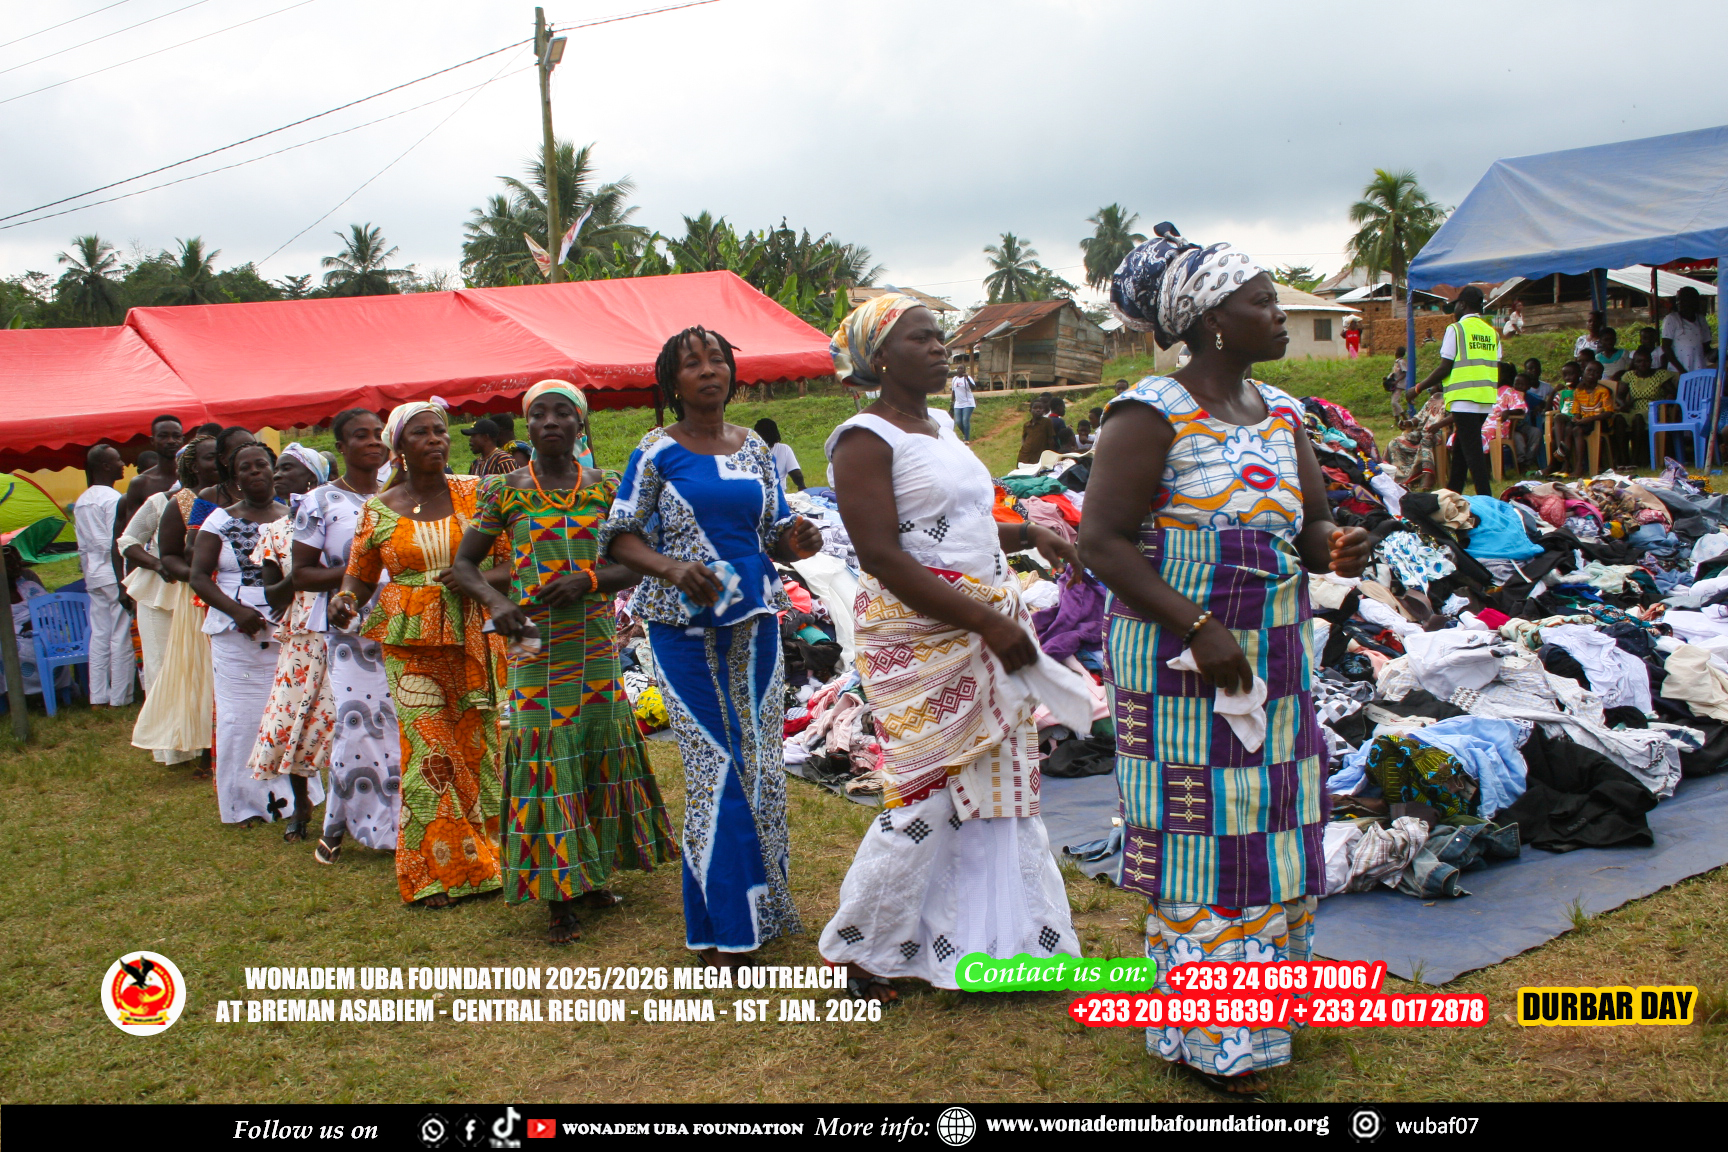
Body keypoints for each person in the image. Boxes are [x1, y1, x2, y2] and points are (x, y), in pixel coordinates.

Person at [1082, 223, 1372, 1097]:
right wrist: (1198, 626)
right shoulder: (1148, 414)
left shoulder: (1282, 413)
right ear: (1212, 319)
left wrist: (1334, 546)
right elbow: (1103, 542)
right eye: (1263, 302)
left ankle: (1263, 1016)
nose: (1280, 315)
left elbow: (1309, 523)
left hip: (1275, 652)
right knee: (1201, 837)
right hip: (1177, 660)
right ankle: (1213, 1038)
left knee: (1275, 820)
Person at [818, 293, 1085, 1001]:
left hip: (983, 619)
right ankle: (863, 950)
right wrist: (987, 622)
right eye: (921, 338)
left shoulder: (939, 425)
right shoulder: (863, 439)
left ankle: (997, 943)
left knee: (999, 788)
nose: (940, 347)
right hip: (919, 635)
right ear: (880, 358)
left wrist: (1032, 534)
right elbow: (883, 555)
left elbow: (965, 523)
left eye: (940, 336)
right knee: (924, 795)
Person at [599, 327, 822, 968]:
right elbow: (620, 536)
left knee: (761, 766)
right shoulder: (655, 451)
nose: (707, 370)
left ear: (731, 372)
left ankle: (764, 909)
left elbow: (772, 528)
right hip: (680, 628)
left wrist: (796, 539)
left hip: (753, 621)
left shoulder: (755, 448)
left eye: (717, 359)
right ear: (673, 381)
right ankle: (724, 926)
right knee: (713, 764)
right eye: (692, 363)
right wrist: (670, 567)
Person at [453, 381, 678, 945]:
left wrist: (590, 580)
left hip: (594, 640)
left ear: (580, 425)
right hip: (531, 642)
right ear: (527, 426)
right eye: (539, 414)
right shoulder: (504, 490)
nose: (550, 421)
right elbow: (464, 566)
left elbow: (639, 563)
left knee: (596, 749)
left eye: (562, 413)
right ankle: (557, 895)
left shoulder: (606, 488)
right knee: (545, 752)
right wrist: (497, 604)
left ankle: (592, 872)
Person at [330, 400, 512, 907]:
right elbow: (359, 575)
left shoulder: (478, 493)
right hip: (410, 640)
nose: (435, 440)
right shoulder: (379, 509)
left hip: (475, 634)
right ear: (400, 448)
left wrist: (473, 576)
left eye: (440, 431)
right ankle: (436, 869)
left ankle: (489, 858)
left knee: (479, 747)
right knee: (429, 750)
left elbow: (513, 561)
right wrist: (345, 599)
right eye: (421, 433)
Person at [291, 408, 400, 865]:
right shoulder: (319, 502)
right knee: (356, 730)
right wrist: (359, 574)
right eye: (361, 436)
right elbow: (301, 573)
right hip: (351, 634)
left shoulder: (402, 494)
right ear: (341, 447)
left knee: (400, 728)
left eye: (378, 434)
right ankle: (339, 824)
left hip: (407, 627)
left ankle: (396, 827)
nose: (373, 442)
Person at [189, 442, 302, 827]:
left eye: (261, 465)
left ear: (273, 471)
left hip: (285, 628)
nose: (255, 472)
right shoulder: (219, 520)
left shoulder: (293, 517)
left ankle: (292, 798)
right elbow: (198, 576)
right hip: (234, 632)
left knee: (285, 714)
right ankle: (243, 804)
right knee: (241, 719)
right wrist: (236, 611)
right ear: (235, 478)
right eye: (246, 468)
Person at [247, 444, 335, 843]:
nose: (276, 475)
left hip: (344, 634)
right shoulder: (274, 532)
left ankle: (358, 803)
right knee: (292, 723)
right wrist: (299, 575)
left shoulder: (340, 520)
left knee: (345, 722)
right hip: (300, 641)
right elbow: (273, 596)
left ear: (312, 479)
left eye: (287, 468)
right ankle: (302, 805)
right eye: (276, 469)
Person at [131, 437, 221, 773]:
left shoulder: (231, 497)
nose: (219, 463)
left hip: (224, 593)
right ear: (194, 466)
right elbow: (151, 548)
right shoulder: (177, 502)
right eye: (211, 458)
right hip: (189, 594)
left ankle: (217, 743)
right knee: (190, 668)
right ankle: (192, 747)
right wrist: (196, 576)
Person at [1416, 285, 1498, 495]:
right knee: (1462, 448)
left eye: (1456, 305)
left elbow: (1445, 367)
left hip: (1464, 398)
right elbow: (1495, 361)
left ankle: (1487, 499)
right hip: (1485, 399)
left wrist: (1418, 388)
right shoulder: (1492, 332)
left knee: (1473, 454)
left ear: (1462, 304)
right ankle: (1453, 492)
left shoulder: (1456, 329)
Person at [73, 444, 134, 708]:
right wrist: (123, 578)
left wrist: (89, 572)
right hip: (112, 574)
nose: (124, 464)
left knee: (100, 635)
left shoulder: (82, 500)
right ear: (105, 466)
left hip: (94, 575)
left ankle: (97, 694)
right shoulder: (113, 499)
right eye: (118, 460)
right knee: (120, 633)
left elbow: (83, 545)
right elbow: (114, 541)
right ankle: (120, 696)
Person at [116, 414, 185, 527]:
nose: (171, 441)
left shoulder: (195, 476)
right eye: (163, 436)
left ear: (183, 440)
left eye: (176, 436)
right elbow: (133, 531)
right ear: (152, 441)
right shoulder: (141, 483)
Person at [1614, 348, 1678, 467]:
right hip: (1634, 408)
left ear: (1651, 361)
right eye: (1639, 361)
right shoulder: (1629, 375)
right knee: (1619, 418)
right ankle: (1623, 458)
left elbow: (1672, 392)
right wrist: (1623, 404)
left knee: (1638, 418)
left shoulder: (1660, 375)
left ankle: (1635, 458)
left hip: (1654, 409)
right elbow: (1619, 396)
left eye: (1646, 361)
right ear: (1634, 362)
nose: (1642, 364)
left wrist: (1667, 400)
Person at [1566, 360, 1615, 474]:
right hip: (1584, 421)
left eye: (1596, 372)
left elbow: (1608, 412)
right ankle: (1567, 463)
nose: (1592, 374)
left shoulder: (1603, 391)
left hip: (1599, 421)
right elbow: (1577, 411)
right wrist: (1576, 418)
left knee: (1577, 430)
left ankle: (1579, 467)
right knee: (1569, 427)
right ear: (1584, 372)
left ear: (1600, 376)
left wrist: (1588, 419)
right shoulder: (1579, 391)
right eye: (1589, 370)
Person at [1662, 287, 1715, 374]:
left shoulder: (1701, 319)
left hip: (1698, 368)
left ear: (1693, 301)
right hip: (1678, 371)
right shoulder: (1672, 319)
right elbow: (1666, 347)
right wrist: (1682, 371)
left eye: (1683, 300)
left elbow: (1706, 346)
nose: (1678, 303)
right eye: (1678, 300)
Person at [752, 418, 805, 492]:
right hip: (778, 493)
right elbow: (796, 474)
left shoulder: (750, 450)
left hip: (757, 493)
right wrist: (802, 486)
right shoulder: (784, 449)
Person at [1018, 396, 1056, 464]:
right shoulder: (1027, 425)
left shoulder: (1047, 422)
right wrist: (1024, 446)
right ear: (1030, 410)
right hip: (1025, 455)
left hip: (1039, 455)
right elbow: (1024, 438)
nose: (1038, 410)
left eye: (1040, 408)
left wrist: (1051, 454)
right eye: (1035, 408)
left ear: (1044, 411)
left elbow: (1051, 439)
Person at [949, 369, 977, 440]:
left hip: (968, 403)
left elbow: (973, 388)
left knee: (965, 420)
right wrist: (951, 401)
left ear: (964, 370)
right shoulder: (954, 379)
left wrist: (967, 379)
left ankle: (966, 439)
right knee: (958, 421)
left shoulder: (968, 378)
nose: (959, 370)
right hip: (958, 403)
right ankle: (966, 433)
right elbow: (953, 391)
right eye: (958, 369)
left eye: (961, 368)